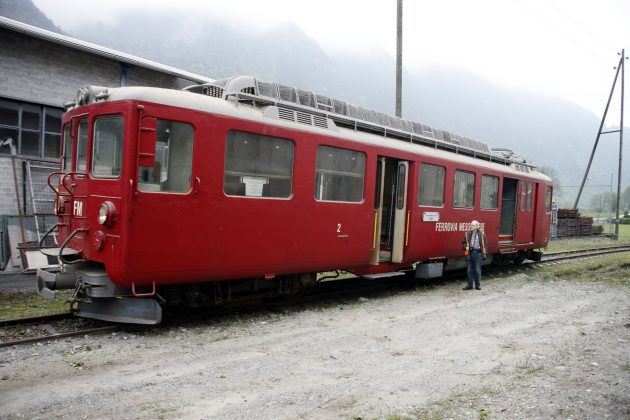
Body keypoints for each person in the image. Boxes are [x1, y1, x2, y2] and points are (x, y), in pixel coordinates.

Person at [462, 220, 488, 290]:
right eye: (471, 225)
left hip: (478, 253)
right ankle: (469, 285)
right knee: (469, 270)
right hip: (470, 253)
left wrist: (484, 254)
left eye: (473, 225)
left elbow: (485, 244)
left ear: (477, 226)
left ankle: (477, 285)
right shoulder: (467, 233)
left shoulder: (482, 234)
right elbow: (463, 243)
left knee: (477, 270)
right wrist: (465, 247)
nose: (471, 226)